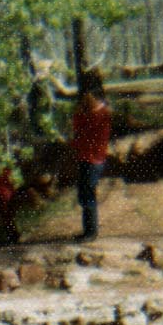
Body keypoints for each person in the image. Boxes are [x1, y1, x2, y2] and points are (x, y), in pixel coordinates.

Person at [71, 69, 112, 241]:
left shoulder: (101, 114)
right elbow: (77, 129)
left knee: (88, 195)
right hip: (86, 157)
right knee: (84, 194)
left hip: (93, 159)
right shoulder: (89, 113)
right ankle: (88, 230)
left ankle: (91, 232)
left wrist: (80, 116)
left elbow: (82, 132)